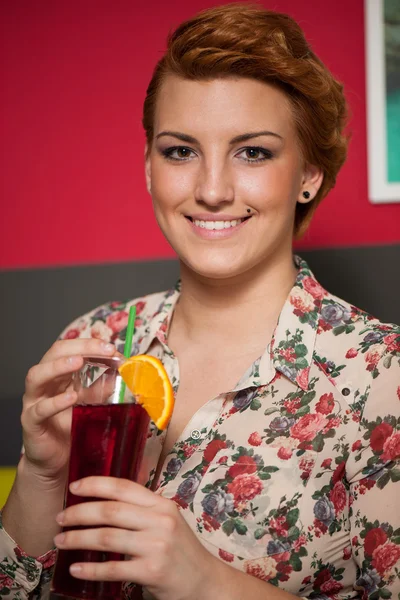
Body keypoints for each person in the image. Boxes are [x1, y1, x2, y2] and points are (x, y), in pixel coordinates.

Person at [1, 3, 399, 599]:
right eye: (180, 151)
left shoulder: (381, 371)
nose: (212, 190)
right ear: (147, 167)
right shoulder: (100, 339)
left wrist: (206, 581)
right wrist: (40, 471)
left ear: (309, 173)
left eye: (254, 152)